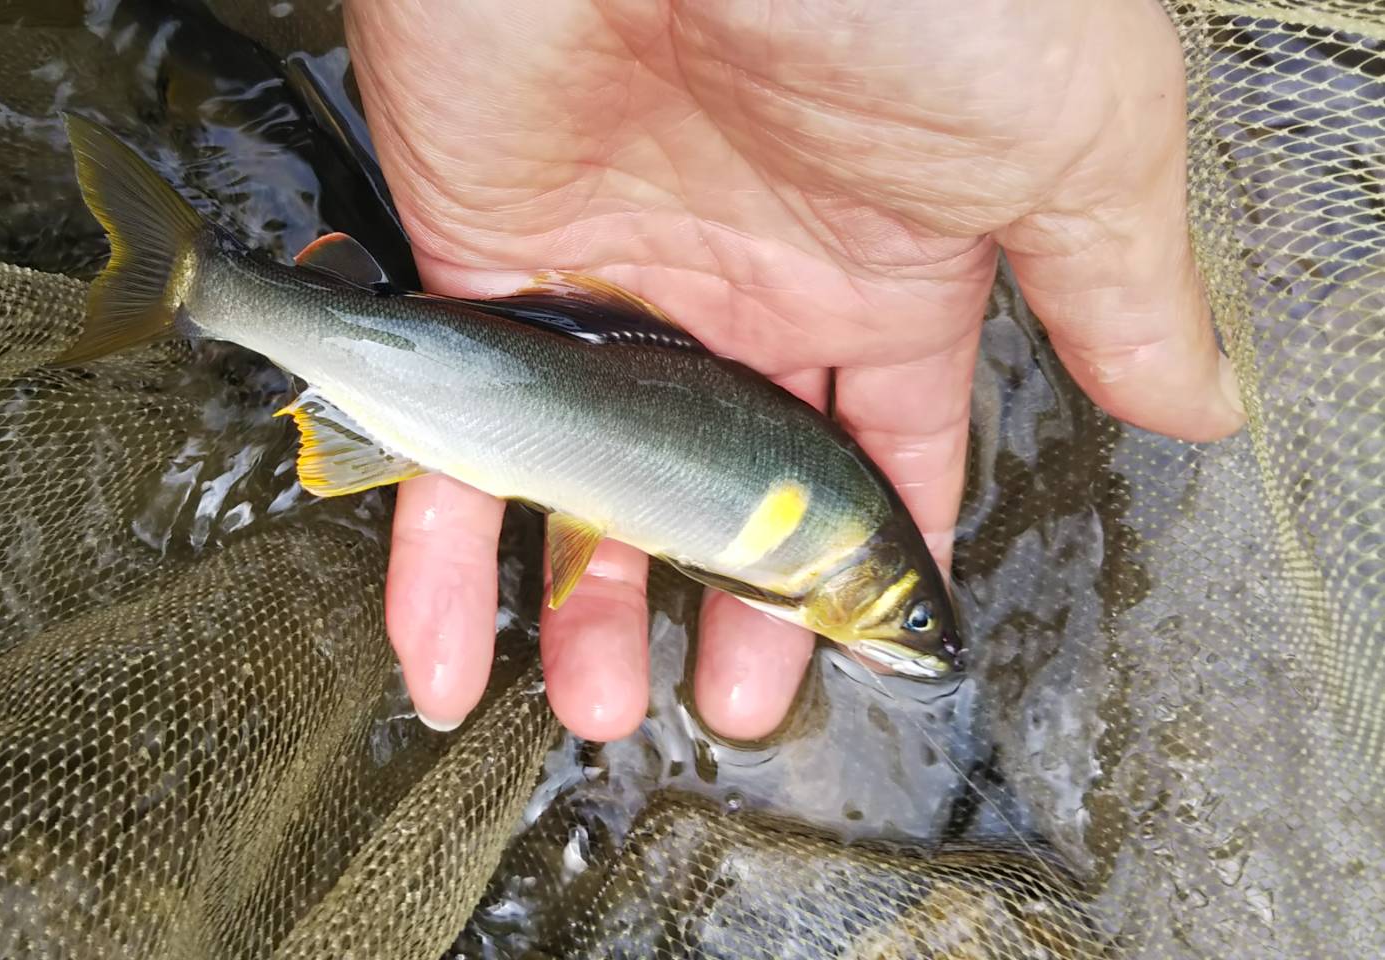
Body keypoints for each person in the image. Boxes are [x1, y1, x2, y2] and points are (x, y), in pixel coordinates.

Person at [340, 0, 1246, 742]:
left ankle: (266, 313)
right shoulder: (830, 541)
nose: (915, 641)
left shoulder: (836, 534)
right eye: (917, 624)